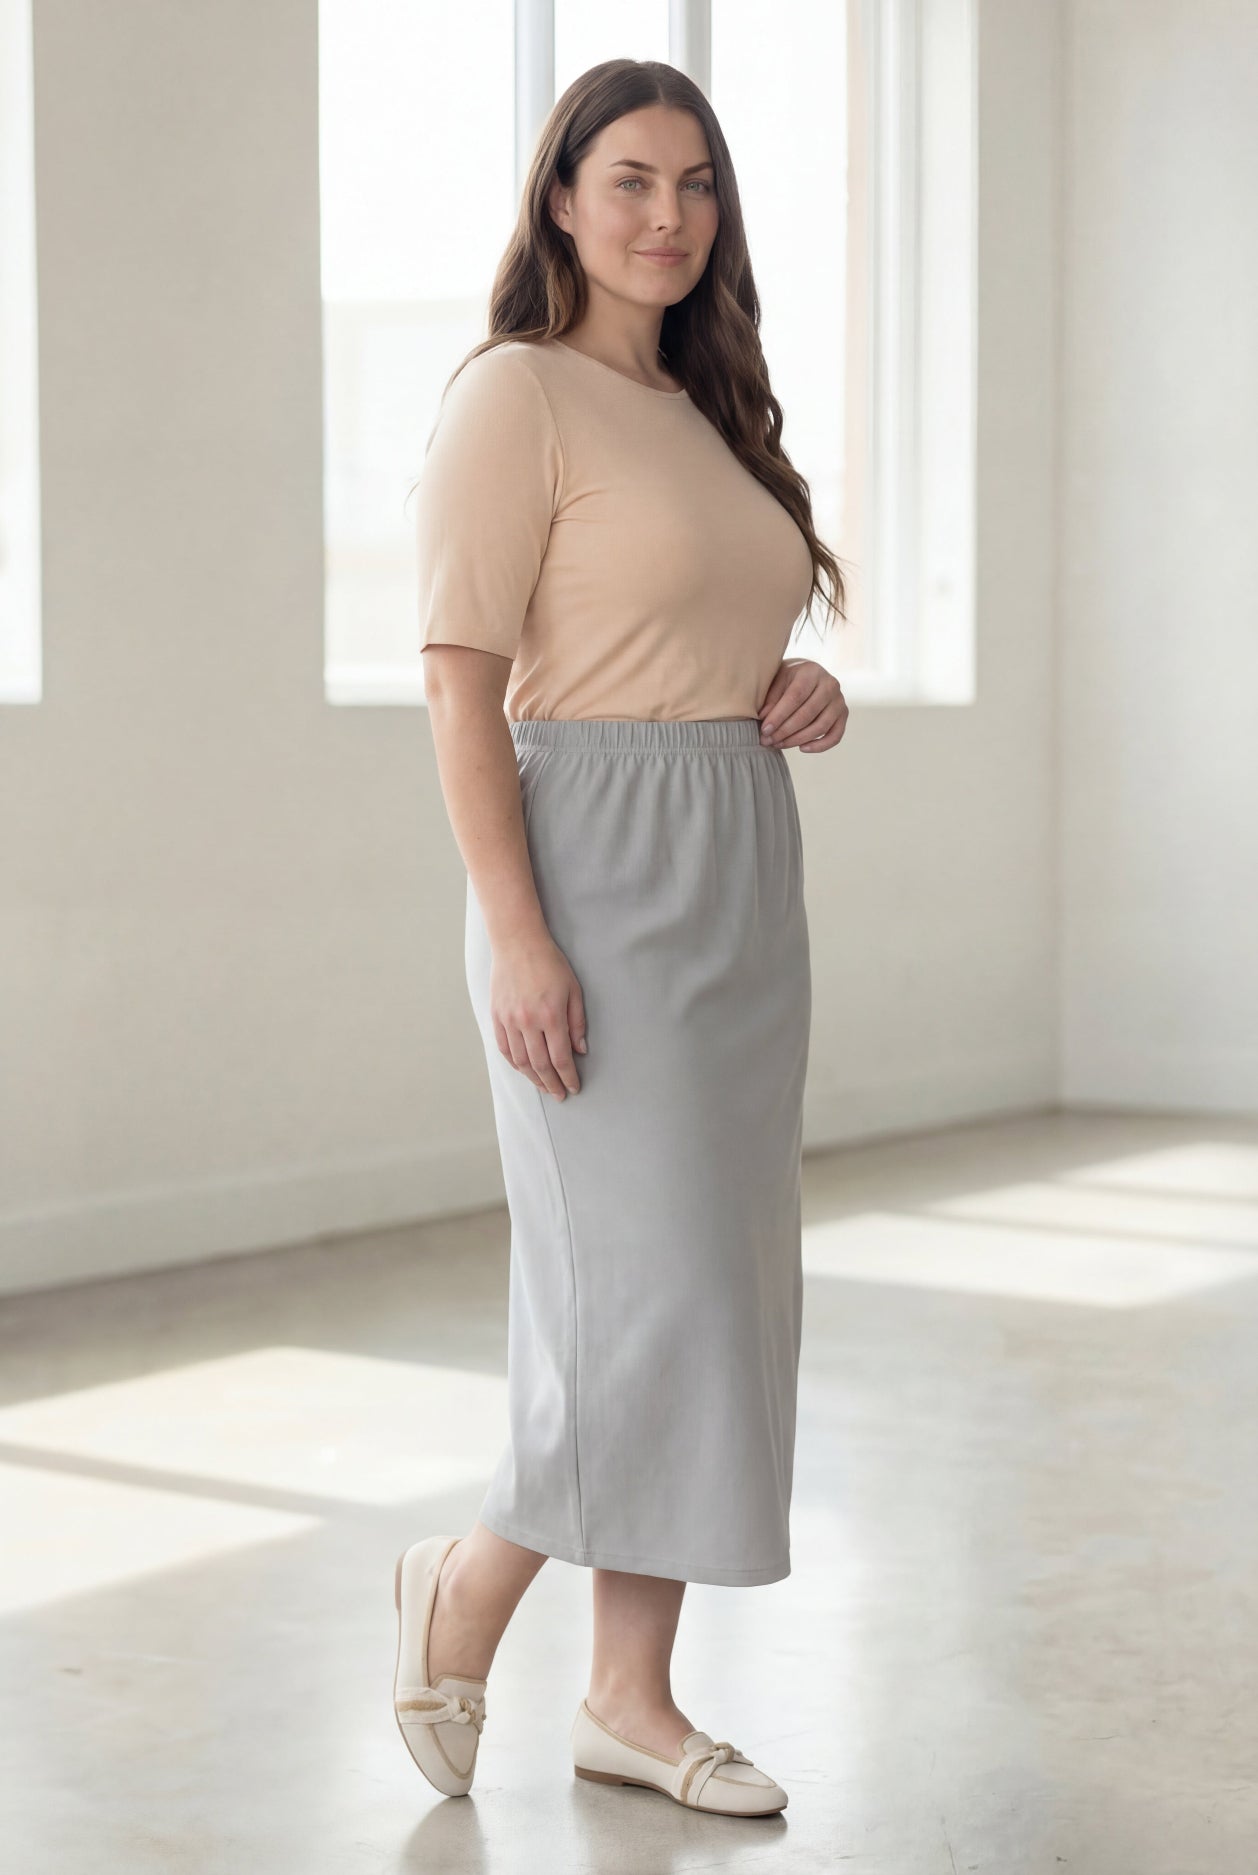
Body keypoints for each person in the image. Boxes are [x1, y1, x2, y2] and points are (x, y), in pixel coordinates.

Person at [392, 58, 849, 1817]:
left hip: (738, 864)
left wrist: (794, 685)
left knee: (709, 1301)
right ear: (561, 198)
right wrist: (518, 935)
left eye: (698, 185)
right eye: (632, 180)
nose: (669, 216)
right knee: (633, 1306)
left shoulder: (712, 413)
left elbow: (714, 632)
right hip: (587, 866)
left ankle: (628, 1699)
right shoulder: (516, 397)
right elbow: (460, 681)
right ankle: (467, 1583)